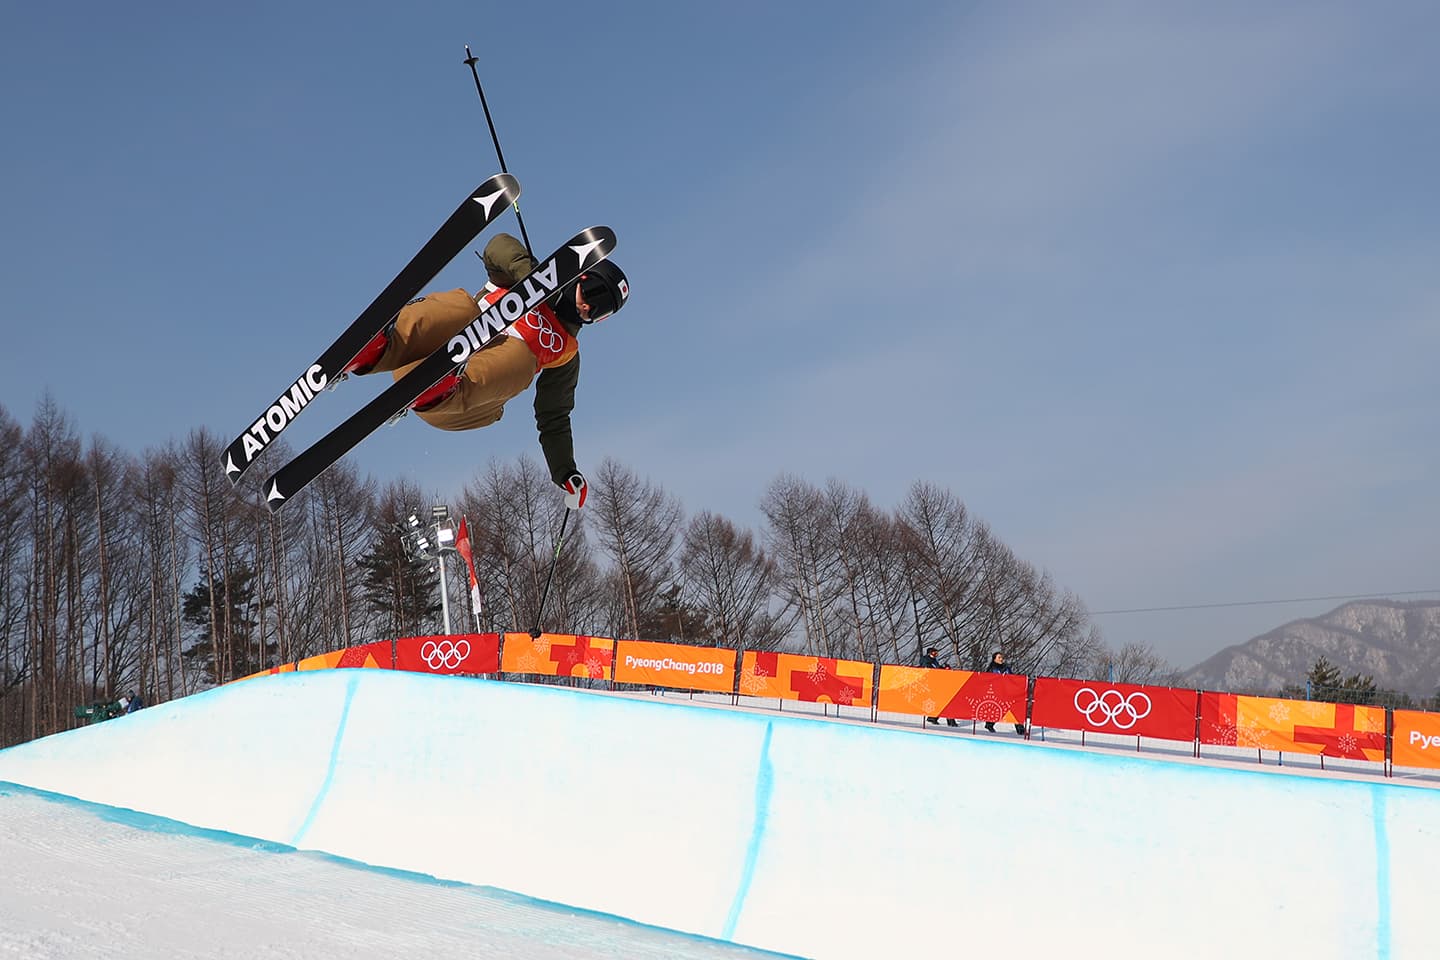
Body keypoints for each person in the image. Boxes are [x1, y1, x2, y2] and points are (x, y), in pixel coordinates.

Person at [346, 232, 630, 509]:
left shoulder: (566, 352)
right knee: (463, 307)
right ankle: (377, 346)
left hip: (456, 403)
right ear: (580, 275)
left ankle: (440, 388)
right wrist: (531, 275)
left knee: (521, 358)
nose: (587, 307)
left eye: (600, 311)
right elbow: (497, 245)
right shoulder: (530, 280)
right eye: (593, 293)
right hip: (425, 353)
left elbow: (554, 416)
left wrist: (565, 471)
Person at [984, 651, 1027, 735]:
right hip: (997, 693)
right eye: (999, 657)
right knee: (998, 709)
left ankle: (1020, 729)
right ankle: (989, 724)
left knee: (1015, 708)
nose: (1001, 659)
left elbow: (1012, 677)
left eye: (1002, 657)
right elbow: (988, 680)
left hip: (1008, 692)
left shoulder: (1007, 668)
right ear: (994, 659)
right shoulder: (991, 668)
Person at [919, 647, 958, 727]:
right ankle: (946, 720)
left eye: (937, 653)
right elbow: (929, 670)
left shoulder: (934, 660)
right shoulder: (925, 660)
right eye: (934, 653)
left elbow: (937, 668)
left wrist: (945, 668)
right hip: (930, 684)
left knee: (943, 700)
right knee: (942, 700)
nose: (936, 655)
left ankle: (936, 718)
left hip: (937, 683)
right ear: (930, 653)